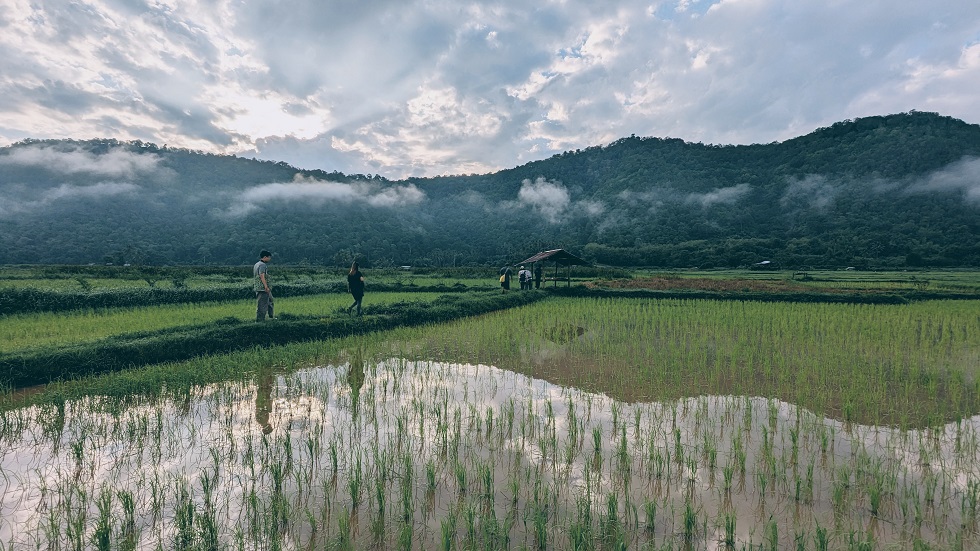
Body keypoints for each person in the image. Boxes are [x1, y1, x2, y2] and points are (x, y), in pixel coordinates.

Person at [253, 250, 274, 321]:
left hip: (259, 287)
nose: (269, 259)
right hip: (262, 288)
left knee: (270, 301)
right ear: (265, 257)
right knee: (262, 304)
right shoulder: (262, 265)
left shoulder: (257, 264)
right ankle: (260, 320)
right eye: (269, 257)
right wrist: (266, 287)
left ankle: (271, 317)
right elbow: (262, 275)